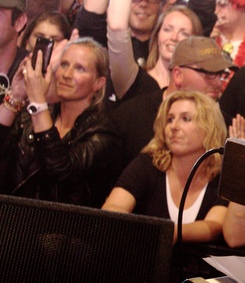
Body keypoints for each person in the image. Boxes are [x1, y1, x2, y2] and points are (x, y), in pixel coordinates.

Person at [0, 38, 122, 207]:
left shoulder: (103, 133)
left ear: (98, 83)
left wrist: (38, 103)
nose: (66, 74)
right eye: (64, 65)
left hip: (63, 229)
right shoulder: (32, 115)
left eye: (79, 68)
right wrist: (17, 96)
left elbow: (61, 171)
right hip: (14, 219)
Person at [103, 91, 227, 243]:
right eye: (170, 119)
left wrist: (166, 232)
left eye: (186, 119)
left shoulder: (222, 175)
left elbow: (214, 226)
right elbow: (113, 207)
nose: (174, 126)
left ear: (210, 127)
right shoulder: (148, 163)